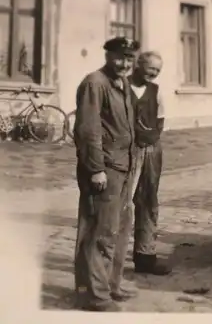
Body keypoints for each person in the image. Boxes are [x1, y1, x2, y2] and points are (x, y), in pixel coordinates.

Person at [73, 36, 140, 312]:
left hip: (123, 165)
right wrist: (96, 169)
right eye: (119, 57)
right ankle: (95, 295)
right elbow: (88, 131)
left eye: (129, 58)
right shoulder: (95, 83)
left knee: (120, 228)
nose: (124, 64)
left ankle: (110, 284)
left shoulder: (122, 84)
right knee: (100, 230)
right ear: (108, 55)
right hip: (106, 169)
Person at [127, 51, 171, 275]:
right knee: (122, 203)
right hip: (126, 151)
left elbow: (160, 120)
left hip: (151, 150)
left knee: (148, 200)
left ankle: (145, 256)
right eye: (150, 68)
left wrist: (150, 140)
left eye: (157, 70)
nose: (153, 74)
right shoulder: (121, 87)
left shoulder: (156, 90)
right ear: (138, 64)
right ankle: (111, 259)